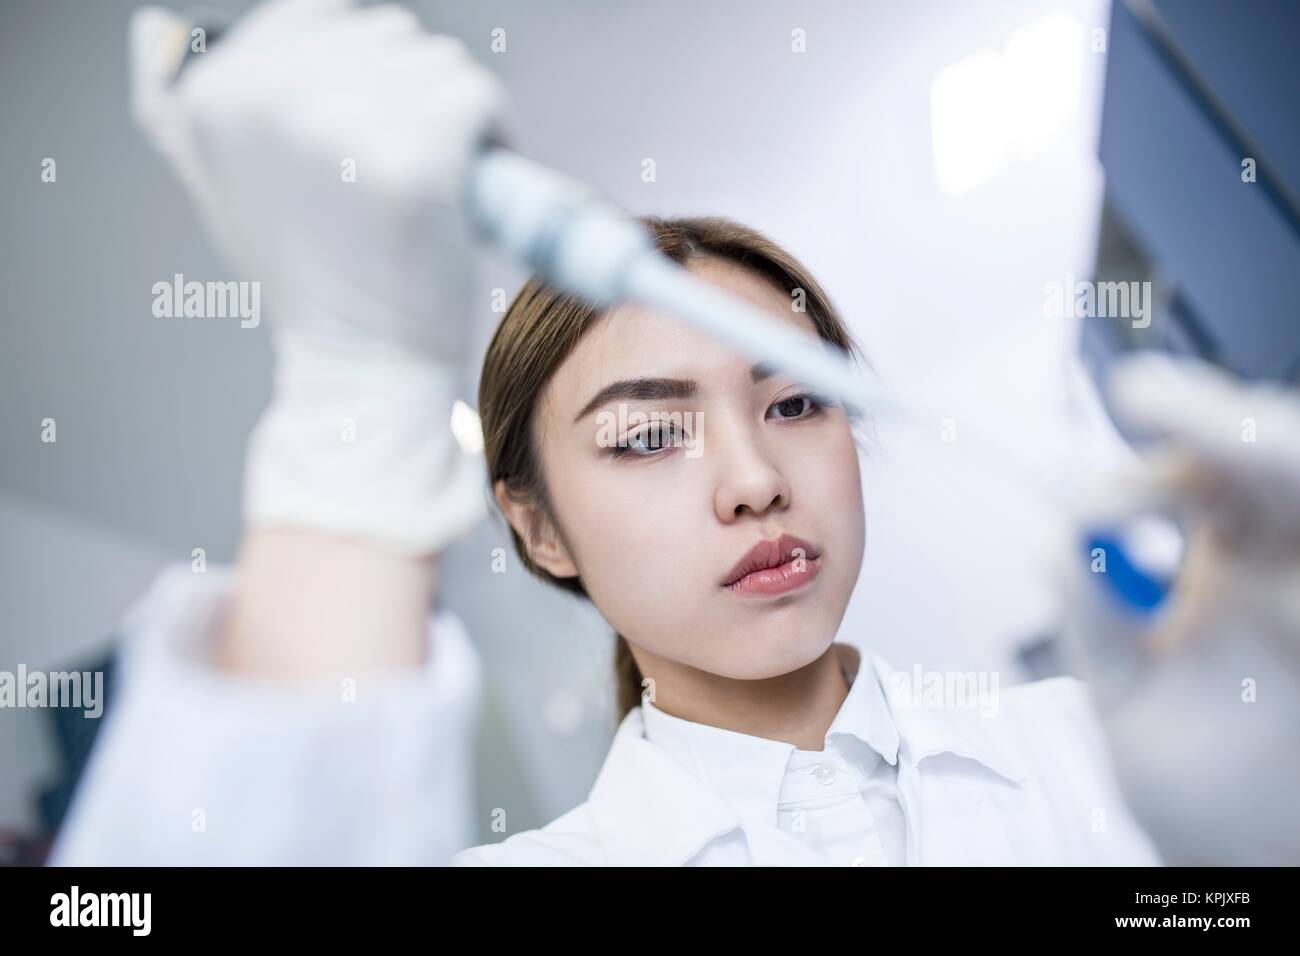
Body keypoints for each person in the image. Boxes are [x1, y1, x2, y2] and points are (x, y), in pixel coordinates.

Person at [48, 0, 1255, 866]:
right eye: (645, 437)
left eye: (792, 400)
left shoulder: (1104, 758)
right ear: (538, 528)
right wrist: (350, 398)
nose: (751, 481)